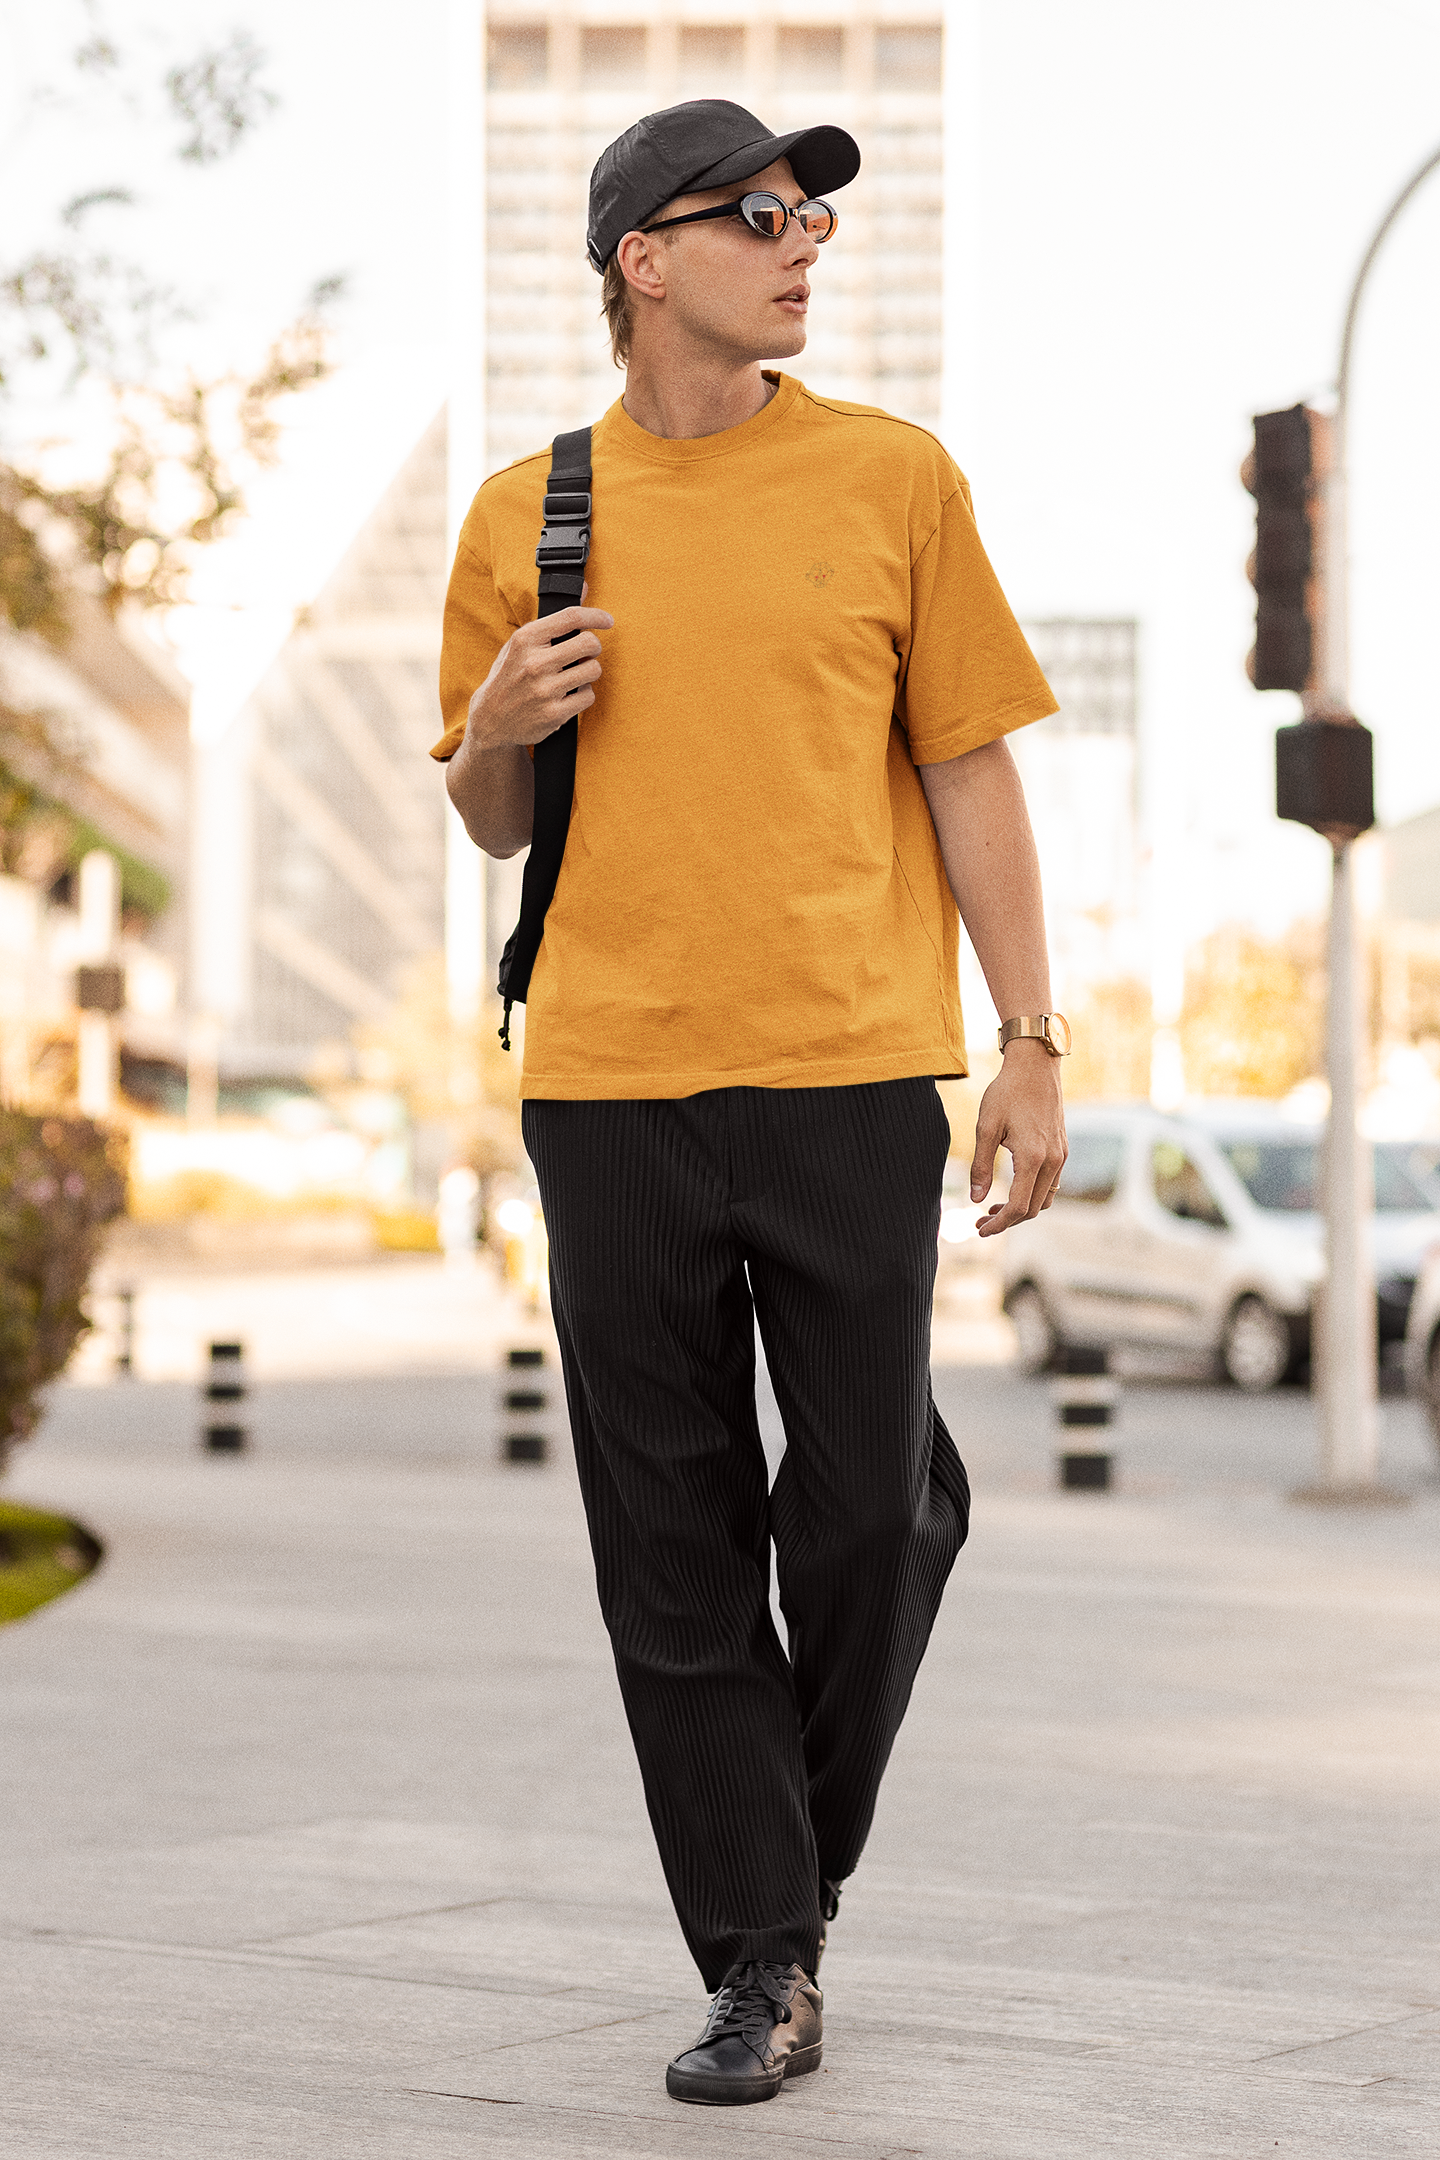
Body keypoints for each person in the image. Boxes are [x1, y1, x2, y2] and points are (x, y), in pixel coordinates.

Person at [434, 99, 1069, 2108]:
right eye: (759, 216)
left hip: (851, 1066)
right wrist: (488, 732)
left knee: (871, 1507)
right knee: (673, 1532)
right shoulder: (524, 510)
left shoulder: (892, 481)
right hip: (609, 1080)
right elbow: (488, 819)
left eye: (811, 217)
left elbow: (971, 765)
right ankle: (766, 1956)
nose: (806, 245)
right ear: (644, 258)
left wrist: (1035, 1035)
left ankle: (771, 1863)